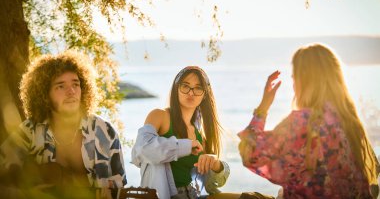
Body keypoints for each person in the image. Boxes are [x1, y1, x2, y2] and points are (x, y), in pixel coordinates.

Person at [238, 43, 380, 198]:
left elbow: (252, 154)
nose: (293, 85)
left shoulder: (303, 123)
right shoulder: (349, 122)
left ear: (304, 80)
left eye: (295, 77)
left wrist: (263, 107)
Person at [0, 50, 127, 198]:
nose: (71, 91)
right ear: (44, 94)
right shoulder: (30, 131)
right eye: (60, 86)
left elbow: (120, 182)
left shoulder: (105, 131)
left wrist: (109, 191)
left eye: (76, 84)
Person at [131, 66, 230, 199]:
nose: (191, 93)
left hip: (193, 195)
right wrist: (186, 146)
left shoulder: (200, 136)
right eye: (185, 86)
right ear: (176, 88)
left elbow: (212, 185)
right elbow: (142, 151)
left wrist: (216, 164)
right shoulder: (159, 116)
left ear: (204, 94)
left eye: (198, 88)